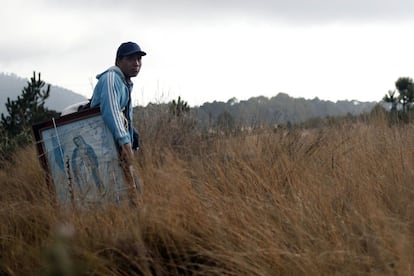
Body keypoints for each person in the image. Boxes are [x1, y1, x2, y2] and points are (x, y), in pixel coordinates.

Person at [90, 41, 146, 202]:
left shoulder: (125, 82)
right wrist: (125, 141)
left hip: (113, 145)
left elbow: (125, 116)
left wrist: (131, 136)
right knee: (122, 192)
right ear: (119, 61)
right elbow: (111, 111)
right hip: (103, 145)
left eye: (139, 59)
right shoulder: (111, 78)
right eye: (131, 59)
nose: (136, 63)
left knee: (135, 190)